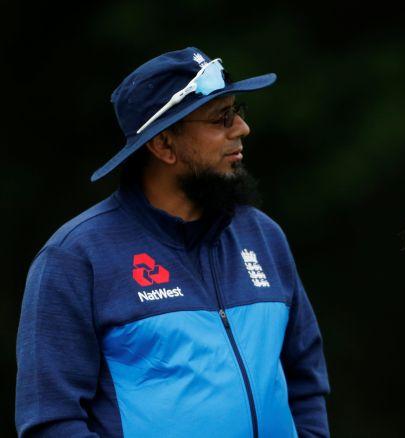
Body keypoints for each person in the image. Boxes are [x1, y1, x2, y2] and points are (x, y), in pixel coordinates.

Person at [16, 47, 330, 437]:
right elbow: (51, 421)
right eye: (221, 118)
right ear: (164, 145)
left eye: (238, 110)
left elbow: (306, 383)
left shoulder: (263, 236)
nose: (241, 128)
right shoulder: (76, 257)